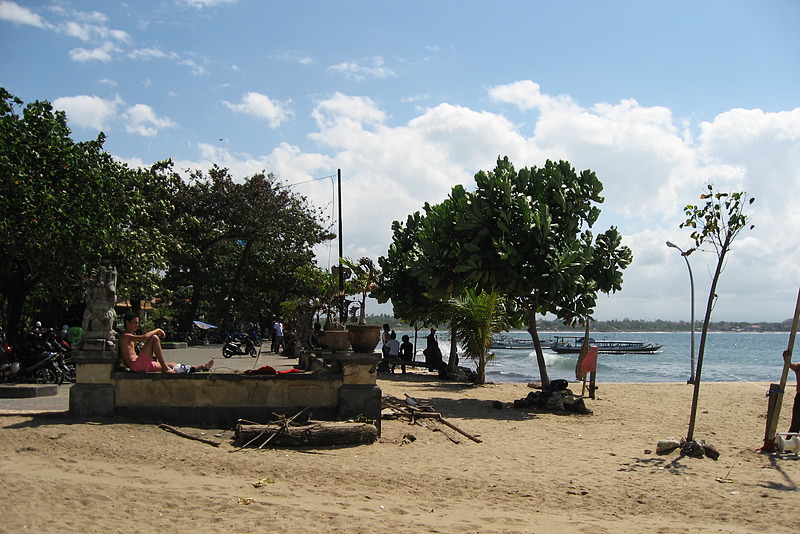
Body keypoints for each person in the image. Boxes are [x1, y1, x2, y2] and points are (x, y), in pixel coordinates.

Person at [119, 312, 213, 373]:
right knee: (154, 338)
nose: (137, 325)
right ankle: (164, 367)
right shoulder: (125, 336)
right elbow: (145, 337)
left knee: (173, 365)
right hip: (136, 366)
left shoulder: (130, 335)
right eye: (135, 323)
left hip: (140, 363)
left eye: (138, 323)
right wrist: (158, 330)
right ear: (127, 323)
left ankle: (201, 367)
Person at [789, 358, 800, 434]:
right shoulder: (798, 366)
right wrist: (786, 358)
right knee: (795, 424)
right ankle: (789, 442)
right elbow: (791, 365)